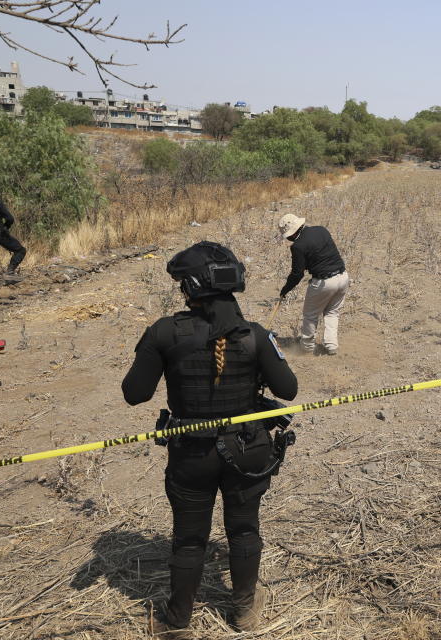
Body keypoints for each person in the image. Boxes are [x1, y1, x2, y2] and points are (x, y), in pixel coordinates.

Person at [121, 241, 298, 638]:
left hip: (191, 454)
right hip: (248, 449)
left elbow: (135, 393)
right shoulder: (255, 335)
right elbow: (289, 389)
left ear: (190, 289)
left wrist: (155, 350)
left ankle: (178, 621)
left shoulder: (165, 332)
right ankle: (244, 613)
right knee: (244, 529)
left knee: (189, 538)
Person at [278, 213, 349, 356]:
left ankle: (307, 347)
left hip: (324, 283)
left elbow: (297, 274)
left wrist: (285, 290)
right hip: (343, 277)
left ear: (292, 233)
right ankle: (331, 345)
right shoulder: (321, 230)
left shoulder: (298, 246)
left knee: (310, 315)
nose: (289, 239)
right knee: (332, 312)